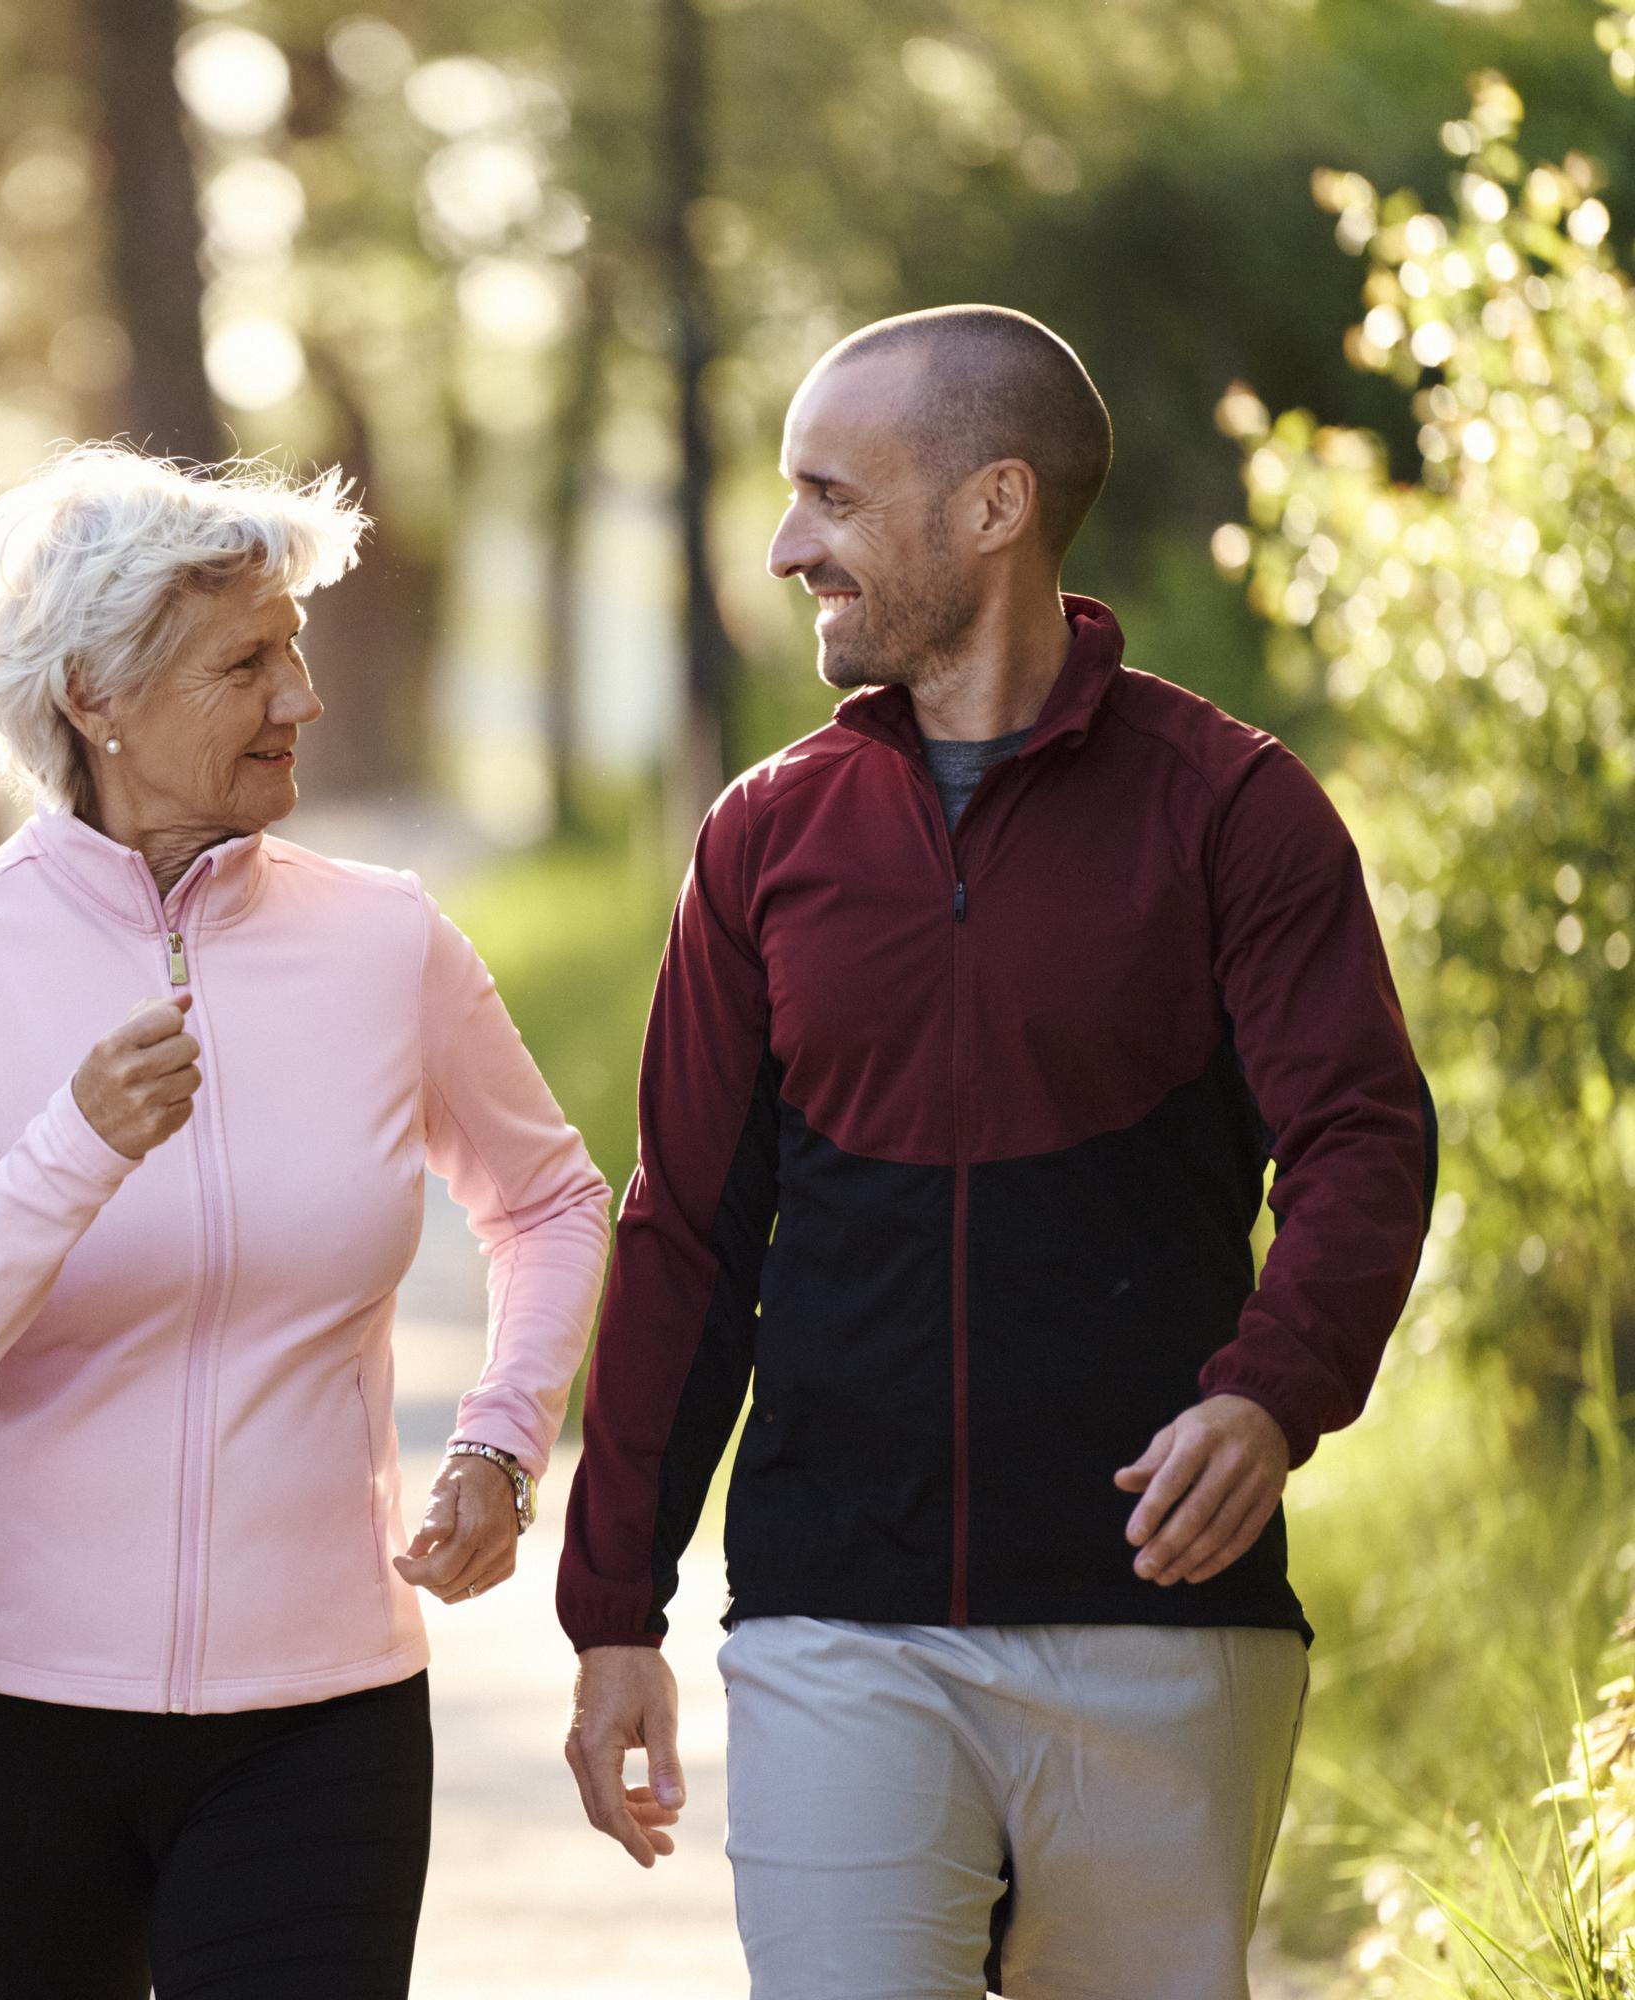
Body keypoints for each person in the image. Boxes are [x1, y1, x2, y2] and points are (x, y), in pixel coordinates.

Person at [556, 305, 1436, 1997]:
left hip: (1163, 1623)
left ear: (992, 507)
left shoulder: (1233, 809)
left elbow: (1361, 1140)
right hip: (839, 1623)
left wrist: (1271, 1392)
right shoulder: (765, 840)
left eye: (829, 495)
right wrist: (614, 1610)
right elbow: (686, 1237)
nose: (784, 542)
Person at [0, 445, 615, 1999]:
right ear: (94, 695)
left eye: (298, 652)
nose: (300, 700)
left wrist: (502, 1441)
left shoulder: (385, 939)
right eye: (247, 661)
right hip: (3, 1717)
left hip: (320, 1715)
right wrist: (76, 1145)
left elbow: (552, 1199)